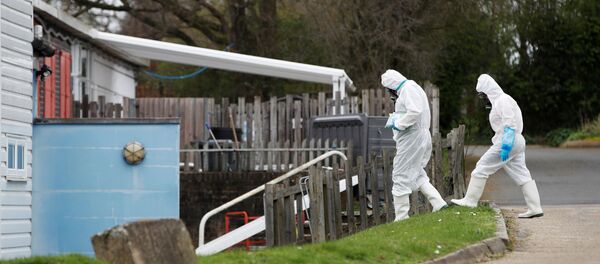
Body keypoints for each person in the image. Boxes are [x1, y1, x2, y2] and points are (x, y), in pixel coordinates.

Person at [451, 74, 543, 218]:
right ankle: (535, 207)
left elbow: (509, 122)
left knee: (482, 166)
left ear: (489, 91)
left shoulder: (502, 100)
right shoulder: (501, 101)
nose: (483, 99)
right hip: (515, 140)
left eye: (483, 95)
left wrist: (506, 145)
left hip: (509, 140)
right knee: (522, 174)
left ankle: (470, 200)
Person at [381, 69, 448, 221]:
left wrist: (398, 123)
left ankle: (401, 218)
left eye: (389, 89)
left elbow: (414, 112)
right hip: (419, 136)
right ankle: (439, 203)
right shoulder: (412, 87)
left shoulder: (407, 90)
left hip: (412, 138)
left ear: (392, 86)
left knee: (399, 174)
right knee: (417, 172)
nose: (390, 93)